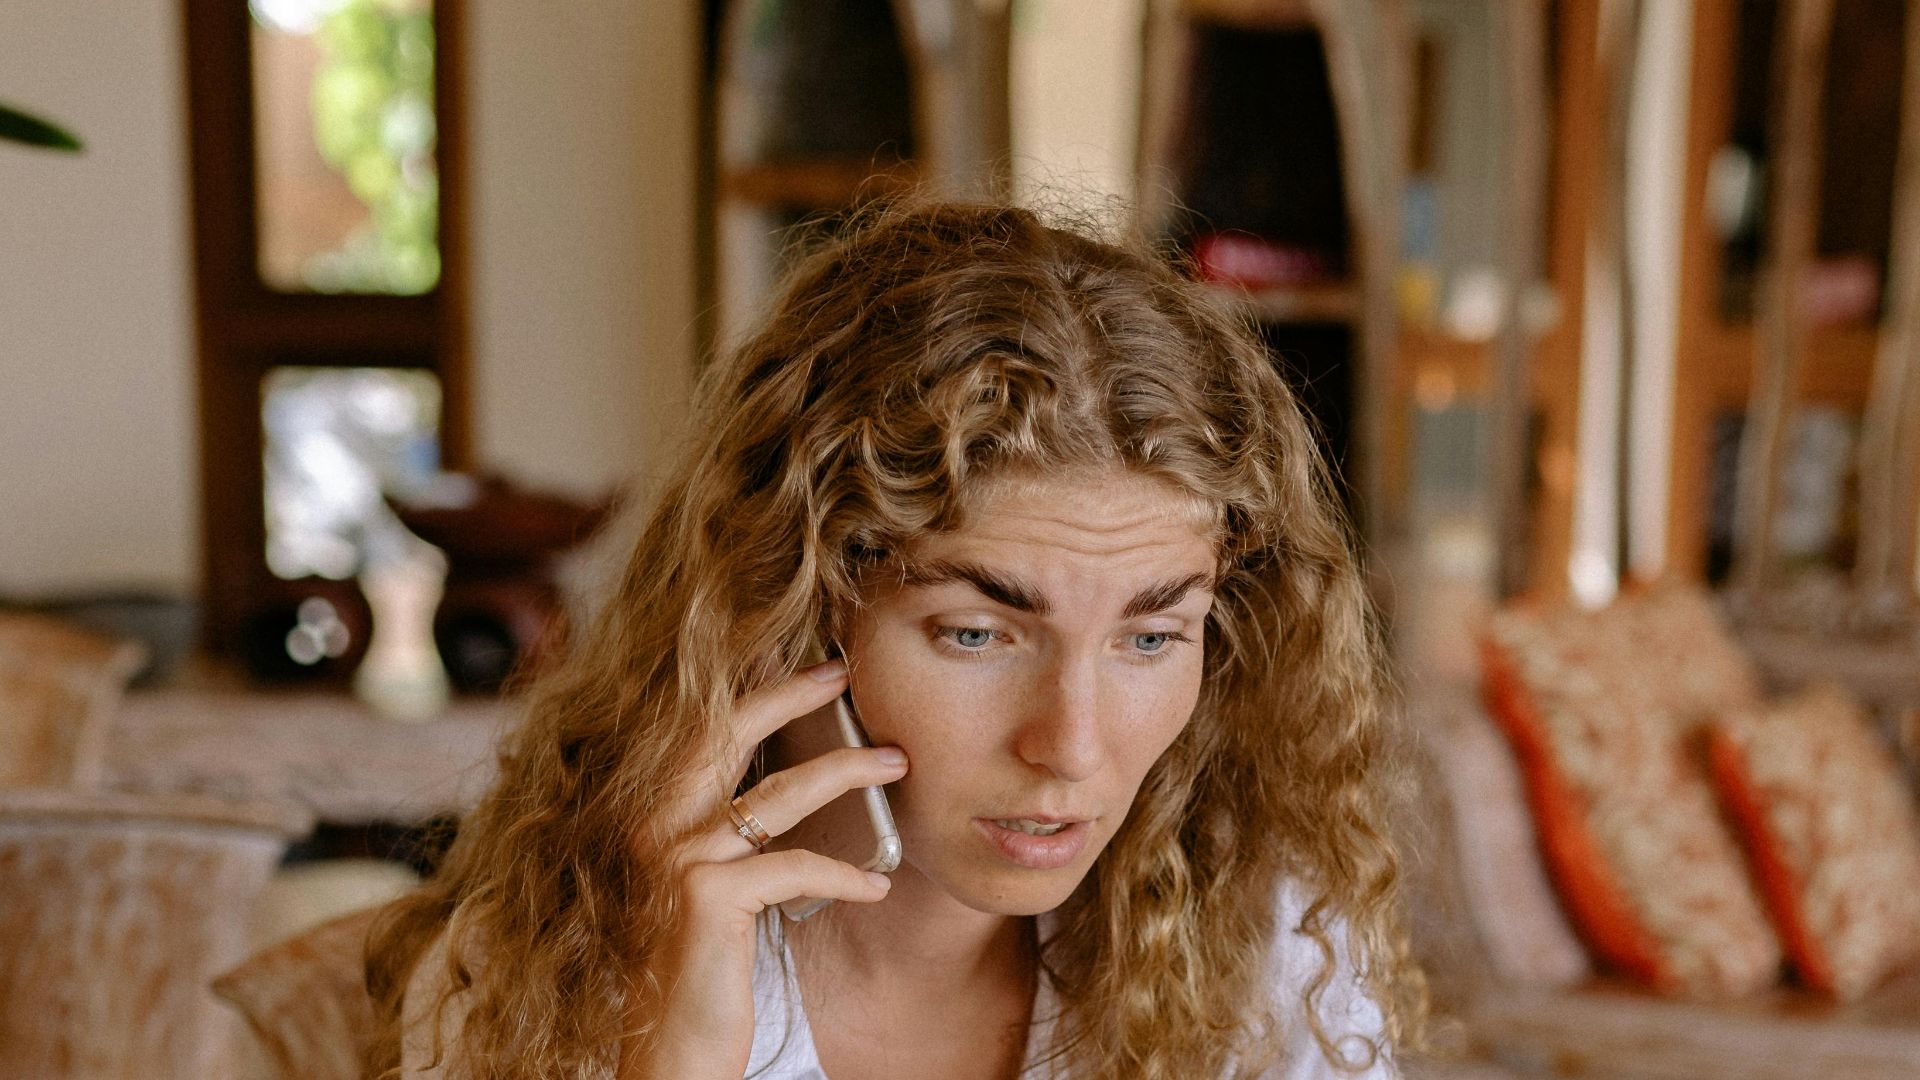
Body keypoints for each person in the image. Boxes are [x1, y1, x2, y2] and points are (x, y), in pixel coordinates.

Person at [367, 199, 1426, 1079]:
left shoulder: (1265, 955)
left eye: (1152, 638)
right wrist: (676, 1052)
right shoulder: (542, 978)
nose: (1073, 746)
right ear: (787, 602)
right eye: (976, 634)